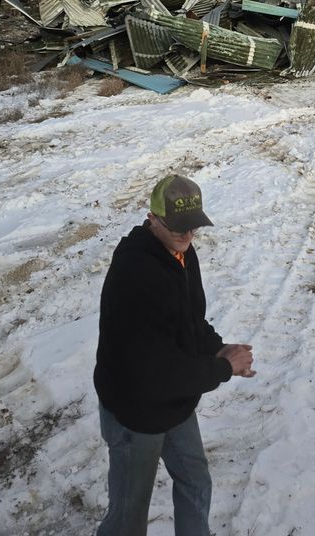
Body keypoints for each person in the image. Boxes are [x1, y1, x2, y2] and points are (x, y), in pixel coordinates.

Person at [94, 172, 255, 536]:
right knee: (128, 517)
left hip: (172, 402)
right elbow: (154, 372)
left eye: (193, 227)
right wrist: (220, 368)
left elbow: (189, 320)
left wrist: (218, 347)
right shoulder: (136, 273)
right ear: (152, 218)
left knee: (196, 483)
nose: (187, 235)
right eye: (178, 226)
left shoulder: (181, 254)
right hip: (135, 413)